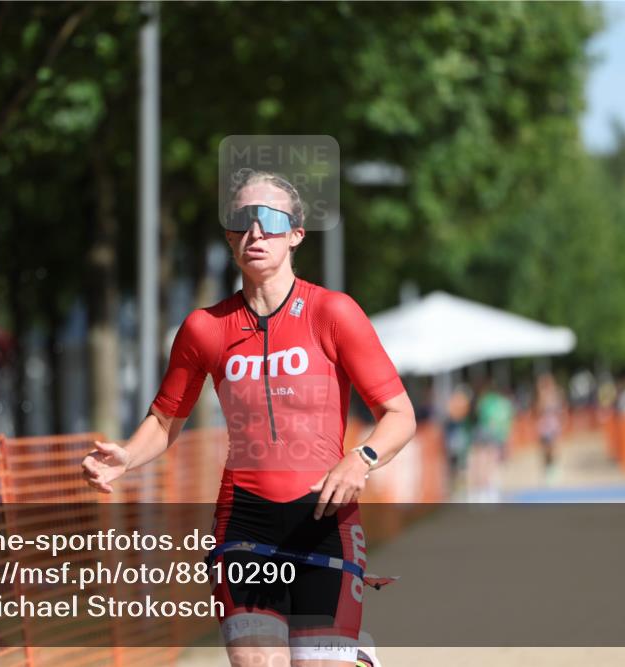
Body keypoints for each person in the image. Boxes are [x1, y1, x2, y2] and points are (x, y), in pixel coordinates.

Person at [81, 168, 416, 667]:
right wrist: (125, 456)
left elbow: (399, 415)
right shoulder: (204, 329)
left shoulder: (333, 313)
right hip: (245, 521)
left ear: (296, 234)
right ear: (228, 235)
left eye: (270, 219)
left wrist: (360, 459)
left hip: (323, 517)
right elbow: (166, 418)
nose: (255, 231)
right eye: (241, 220)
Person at [469, 381, 514, 502]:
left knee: (481, 463)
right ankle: (486, 490)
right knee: (489, 464)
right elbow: (506, 424)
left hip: (485, 434)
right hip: (494, 436)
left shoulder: (486, 401)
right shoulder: (505, 404)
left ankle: (482, 491)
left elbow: (481, 415)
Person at [535, 373, 564, 480]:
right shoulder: (541, 396)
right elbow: (538, 410)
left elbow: (560, 411)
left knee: (553, 448)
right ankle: (547, 470)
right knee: (545, 450)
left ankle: (553, 470)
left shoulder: (555, 395)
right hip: (544, 426)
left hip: (552, 426)